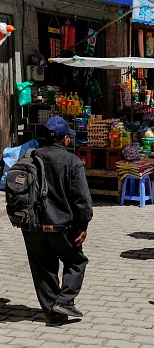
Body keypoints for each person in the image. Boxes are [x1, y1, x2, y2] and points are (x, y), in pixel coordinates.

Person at [21, 116, 93, 326]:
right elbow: (83, 200)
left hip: (32, 224)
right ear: (65, 140)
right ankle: (64, 301)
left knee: (43, 268)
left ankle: (53, 313)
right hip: (61, 225)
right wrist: (83, 225)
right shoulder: (72, 162)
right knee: (77, 261)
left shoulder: (30, 157)